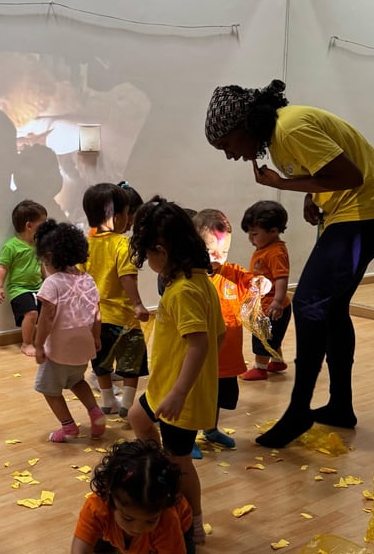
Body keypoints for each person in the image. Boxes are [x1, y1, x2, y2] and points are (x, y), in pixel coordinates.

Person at [205, 79, 374, 448]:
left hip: (370, 213)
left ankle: (299, 411)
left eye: (227, 145)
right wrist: (311, 195)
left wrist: (284, 183)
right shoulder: (281, 135)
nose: (229, 155)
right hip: (352, 213)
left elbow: (351, 176)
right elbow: (325, 170)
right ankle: (341, 406)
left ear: (244, 126)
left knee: (310, 303)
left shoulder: (289, 128)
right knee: (331, 309)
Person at [127, 197, 225, 545]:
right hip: (165, 386)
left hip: (179, 396)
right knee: (137, 418)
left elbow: (199, 344)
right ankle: (160, 478)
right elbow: (218, 336)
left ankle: (193, 519)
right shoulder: (197, 282)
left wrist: (181, 392)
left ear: (160, 250)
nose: (148, 263)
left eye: (148, 256)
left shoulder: (184, 290)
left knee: (181, 462)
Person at [32, 219, 106, 442]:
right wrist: (95, 336)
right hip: (83, 347)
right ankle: (96, 413)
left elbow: (46, 318)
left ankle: (68, 427)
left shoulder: (53, 283)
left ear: (48, 257)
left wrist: (38, 345)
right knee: (76, 380)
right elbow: (97, 313)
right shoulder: (87, 279)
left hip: (59, 350)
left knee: (48, 389)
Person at [81, 183, 150, 418]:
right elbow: (126, 276)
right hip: (123, 317)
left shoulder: (85, 245)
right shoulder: (122, 244)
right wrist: (138, 304)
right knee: (131, 360)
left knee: (100, 360)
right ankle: (128, 404)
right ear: (119, 216)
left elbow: (79, 279)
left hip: (94, 318)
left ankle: (108, 401)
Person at [189, 208, 249, 458]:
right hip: (202, 355)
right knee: (196, 396)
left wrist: (262, 285)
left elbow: (253, 283)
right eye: (210, 250)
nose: (218, 257)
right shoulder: (193, 279)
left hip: (227, 355)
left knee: (216, 397)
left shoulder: (232, 273)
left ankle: (211, 429)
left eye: (224, 251)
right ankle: (187, 435)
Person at [71, 439, 193, 554]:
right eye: (128, 518)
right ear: (109, 497)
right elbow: (79, 550)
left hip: (179, 529)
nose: (138, 528)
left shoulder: (168, 520)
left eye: (150, 520)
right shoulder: (96, 507)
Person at [234, 200, 292, 380]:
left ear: (273, 231)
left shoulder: (275, 252)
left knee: (263, 338)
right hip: (265, 305)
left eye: (254, 234)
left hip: (272, 307)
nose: (251, 239)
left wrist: (277, 301)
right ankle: (277, 360)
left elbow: (282, 277)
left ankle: (260, 368)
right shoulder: (264, 247)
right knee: (272, 337)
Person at [0, 200, 48, 356]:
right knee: (31, 313)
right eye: (42, 224)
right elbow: (3, 267)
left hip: (38, 287)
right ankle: (27, 343)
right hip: (19, 289)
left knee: (47, 312)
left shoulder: (39, 245)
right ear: (29, 226)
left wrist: (47, 282)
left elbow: (42, 265)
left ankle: (43, 341)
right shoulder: (11, 246)